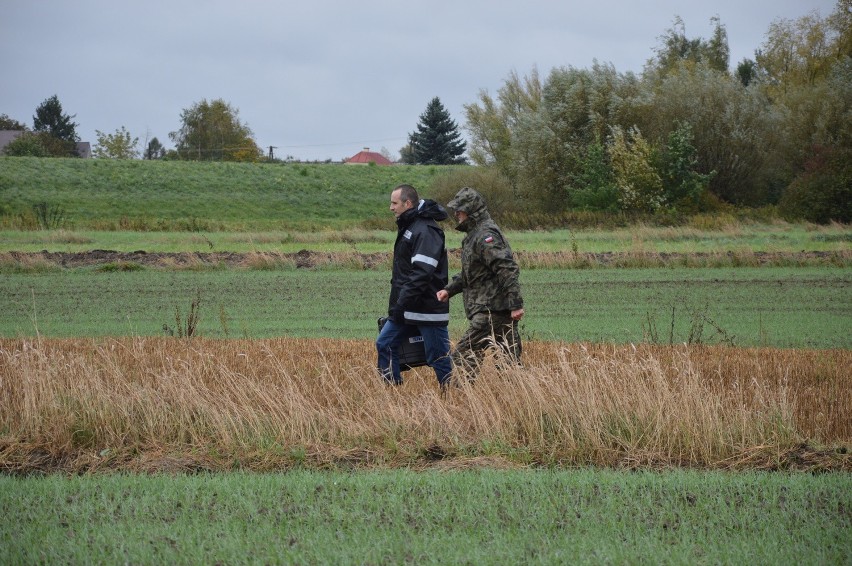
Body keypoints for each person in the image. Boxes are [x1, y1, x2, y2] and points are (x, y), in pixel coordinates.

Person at [437, 187, 524, 374]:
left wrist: (515, 304)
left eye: (459, 209)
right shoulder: (474, 235)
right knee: (509, 363)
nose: (456, 213)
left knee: (464, 357)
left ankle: (460, 399)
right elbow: (473, 272)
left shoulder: (485, 236)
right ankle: (518, 398)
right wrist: (449, 289)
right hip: (493, 310)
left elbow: (506, 268)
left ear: (471, 210)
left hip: (491, 310)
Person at [376, 184, 453, 387]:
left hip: (427, 308)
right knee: (384, 343)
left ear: (407, 203)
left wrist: (402, 303)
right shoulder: (410, 226)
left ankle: (455, 395)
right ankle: (391, 395)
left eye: (394, 203)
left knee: (438, 357)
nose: (391, 208)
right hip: (407, 306)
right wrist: (400, 305)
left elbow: (422, 273)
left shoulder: (426, 230)